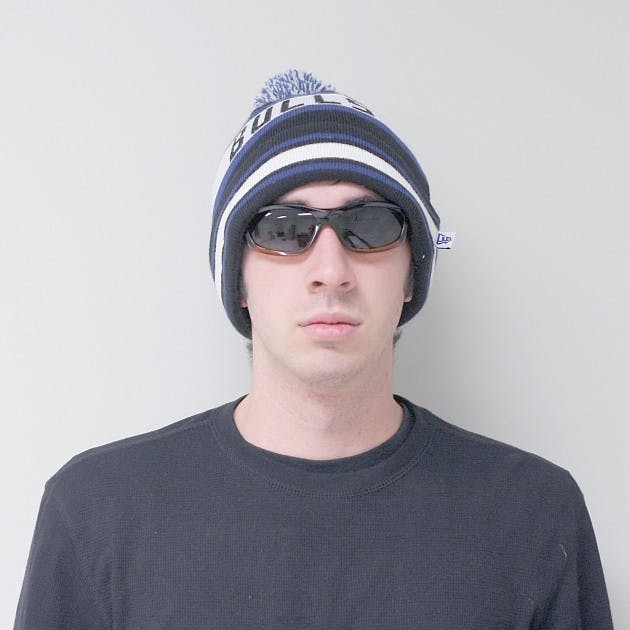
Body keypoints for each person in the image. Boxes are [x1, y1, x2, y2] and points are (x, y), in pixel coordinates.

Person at [14, 69, 613, 629]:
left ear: (411, 274)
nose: (331, 270)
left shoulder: (534, 513)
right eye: (283, 229)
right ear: (238, 278)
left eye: (371, 226)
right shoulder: (96, 511)